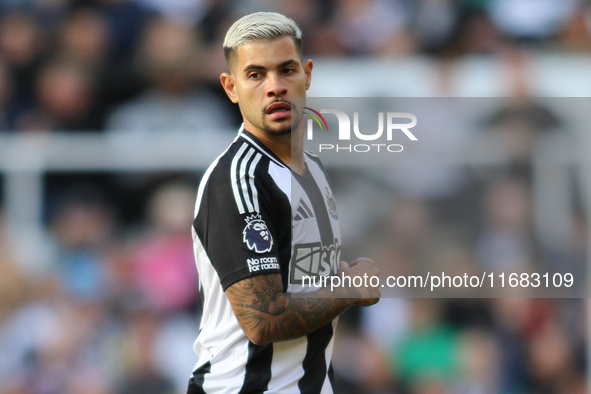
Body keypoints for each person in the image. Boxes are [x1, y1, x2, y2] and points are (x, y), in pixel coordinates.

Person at [188, 12, 381, 394]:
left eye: (286, 70)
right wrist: (349, 289)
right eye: (256, 75)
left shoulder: (312, 167)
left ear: (307, 74)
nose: (274, 87)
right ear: (230, 87)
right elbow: (262, 318)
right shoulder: (239, 179)